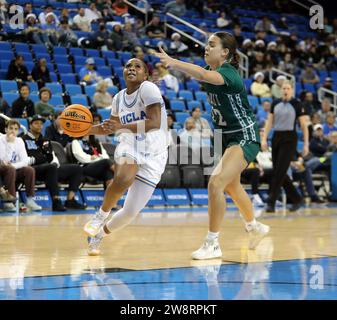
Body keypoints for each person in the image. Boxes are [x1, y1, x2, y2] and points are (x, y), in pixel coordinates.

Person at [154, 31, 270, 260]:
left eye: (211, 44)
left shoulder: (229, 74)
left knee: (216, 183)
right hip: (223, 137)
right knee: (231, 186)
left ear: (225, 52)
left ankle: (212, 243)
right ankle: (255, 227)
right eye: (206, 44)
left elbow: (202, 75)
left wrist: (174, 62)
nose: (206, 48)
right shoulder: (215, 72)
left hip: (243, 135)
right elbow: (202, 75)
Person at [83, 58, 169, 256]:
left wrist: (119, 126)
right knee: (122, 178)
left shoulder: (148, 88)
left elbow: (154, 122)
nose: (131, 68)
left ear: (145, 75)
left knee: (130, 213)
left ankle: (98, 235)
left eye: (137, 66)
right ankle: (99, 216)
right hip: (130, 145)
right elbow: (110, 127)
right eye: (128, 66)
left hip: (156, 154)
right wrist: (83, 130)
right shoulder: (118, 98)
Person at [261, 80, 309, 212]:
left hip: (290, 138)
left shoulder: (297, 104)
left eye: (288, 88)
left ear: (292, 90)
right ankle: (297, 199)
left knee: (280, 171)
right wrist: (264, 139)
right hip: (276, 137)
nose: (285, 90)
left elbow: (304, 126)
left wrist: (306, 144)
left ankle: (271, 202)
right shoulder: (275, 103)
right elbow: (269, 122)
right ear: (280, 90)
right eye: (283, 88)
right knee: (278, 171)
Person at [22, 115, 84, 211]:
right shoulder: (23, 139)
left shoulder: (45, 140)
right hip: (32, 170)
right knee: (51, 167)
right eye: (36, 123)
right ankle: (56, 201)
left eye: (41, 124)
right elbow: (25, 159)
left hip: (49, 169)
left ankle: (70, 200)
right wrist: (42, 158)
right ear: (30, 125)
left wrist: (38, 158)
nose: (39, 126)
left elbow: (50, 157)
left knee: (77, 168)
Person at [0, 119, 41, 212]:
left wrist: (14, 166)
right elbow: (4, 160)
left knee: (29, 170)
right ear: (5, 129)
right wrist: (10, 143)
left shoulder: (19, 141)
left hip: (12, 168)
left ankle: (30, 200)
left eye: (15, 129)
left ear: (18, 131)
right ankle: (9, 202)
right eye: (10, 128)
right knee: (10, 169)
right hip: (2, 169)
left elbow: (25, 161)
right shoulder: (1, 140)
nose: (13, 131)